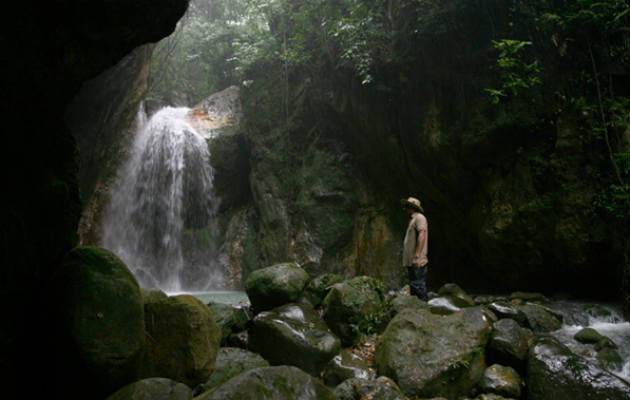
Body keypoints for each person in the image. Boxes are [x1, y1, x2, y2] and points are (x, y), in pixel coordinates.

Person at [401, 197, 429, 301]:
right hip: (412, 261)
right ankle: (418, 311)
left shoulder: (419, 218)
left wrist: (417, 256)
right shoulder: (413, 219)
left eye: (407, 206)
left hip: (418, 260)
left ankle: (425, 311)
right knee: (414, 287)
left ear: (412, 207)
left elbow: (422, 235)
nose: (405, 208)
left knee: (419, 286)